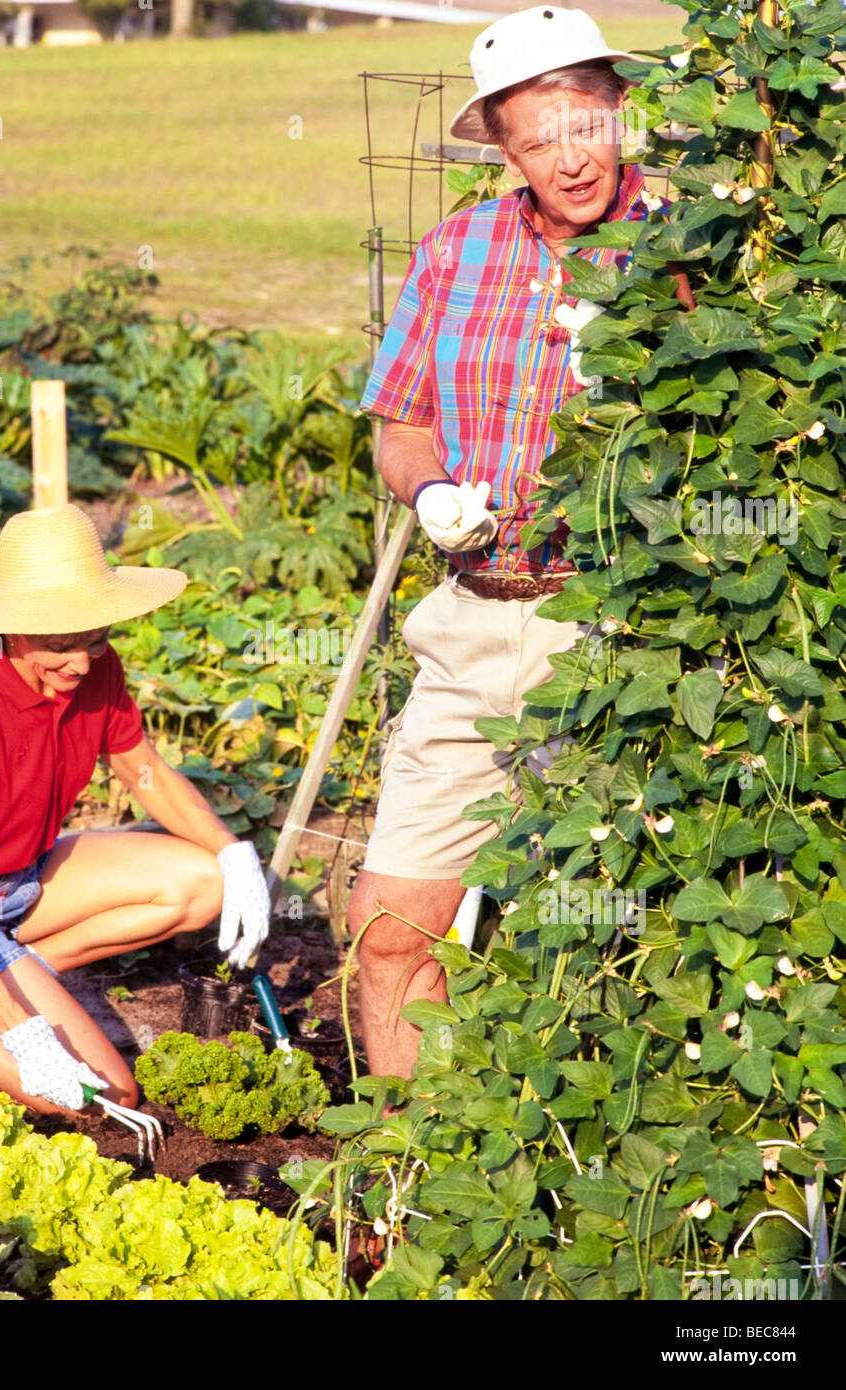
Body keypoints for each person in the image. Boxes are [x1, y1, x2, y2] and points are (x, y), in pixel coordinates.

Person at [351, 6, 666, 1077]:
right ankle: (409, 1197)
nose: (568, 159)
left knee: (590, 942)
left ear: (618, 110)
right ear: (502, 146)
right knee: (389, 933)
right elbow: (400, 421)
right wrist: (432, 487)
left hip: (610, 632)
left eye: (582, 125)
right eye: (536, 139)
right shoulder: (459, 248)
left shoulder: (679, 246)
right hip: (469, 623)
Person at [0, 503, 272, 1139]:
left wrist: (234, 854)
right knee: (99, 1092)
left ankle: (14, 975)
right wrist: (26, 1035)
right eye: (62, 644)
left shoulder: (92, 668)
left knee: (204, 882)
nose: (83, 664)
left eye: (95, 638)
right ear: (11, 630)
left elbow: (142, 769)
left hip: (25, 879)